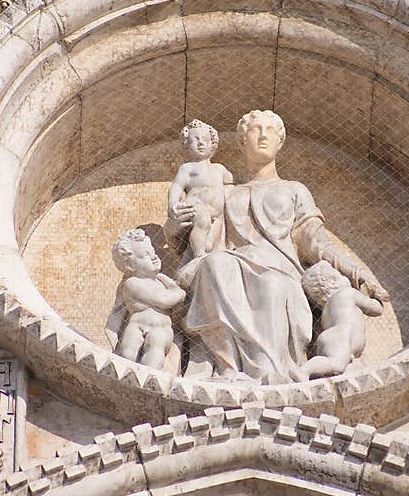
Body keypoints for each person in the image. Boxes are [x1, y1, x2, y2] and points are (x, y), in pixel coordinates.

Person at [167, 110, 389, 384]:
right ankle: (228, 369)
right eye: (254, 130)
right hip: (233, 262)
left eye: (269, 130)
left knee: (271, 285)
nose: (262, 135)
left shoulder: (294, 189)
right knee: (214, 265)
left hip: (280, 270)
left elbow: (315, 240)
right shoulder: (228, 191)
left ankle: (270, 374)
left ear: (280, 141)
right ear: (240, 141)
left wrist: (355, 271)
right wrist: (176, 224)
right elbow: (198, 234)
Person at [106, 229, 186, 369]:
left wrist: (171, 286)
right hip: (137, 325)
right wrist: (178, 292)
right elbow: (163, 300)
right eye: (145, 255)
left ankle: (149, 376)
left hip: (161, 330)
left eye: (153, 252)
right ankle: (125, 372)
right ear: (130, 265)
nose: (154, 257)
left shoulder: (161, 283)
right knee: (127, 352)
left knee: (155, 352)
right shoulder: (133, 283)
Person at [296, 261, 384, 380]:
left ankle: (315, 372)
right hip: (343, 335)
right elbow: (376, 309)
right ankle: (304, 371)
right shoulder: (347, 293)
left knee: (341, 367)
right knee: (336, 364)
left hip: (329, 338)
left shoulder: (325, 310)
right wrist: (375, 296)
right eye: (340, 275)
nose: (345, 278)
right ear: (332, 282)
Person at [167, 120, 234, 258]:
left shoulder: (220, 169)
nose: (201, 143)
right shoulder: (187, 168)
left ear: (212, 144)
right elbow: (177, 186)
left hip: (217, 215)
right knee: (202, 222)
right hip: (196, 207)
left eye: (205, 140)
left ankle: (204, 251)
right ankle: (198, 255)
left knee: (209, 245)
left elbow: (231, 188)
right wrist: (172, 204)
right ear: (187, 144)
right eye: (195, 139)